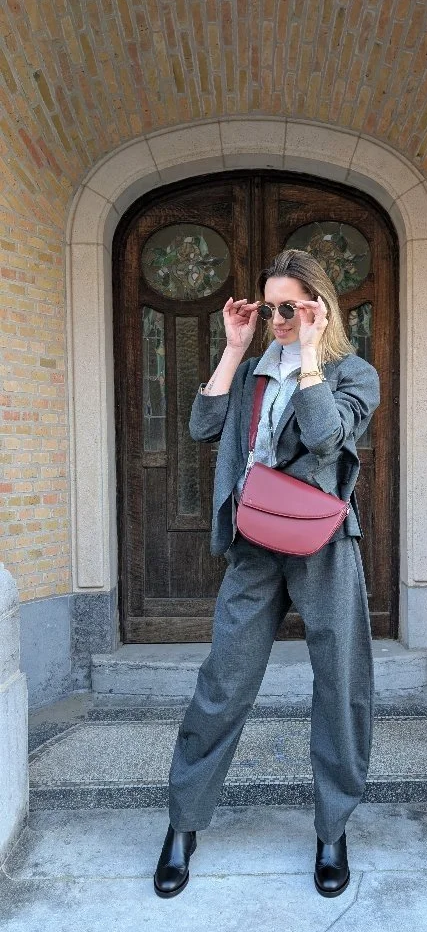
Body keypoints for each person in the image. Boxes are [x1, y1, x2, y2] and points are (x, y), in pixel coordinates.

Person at [153, 248, 381, 899]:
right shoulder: (252, 370)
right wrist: (233, 348)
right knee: (223, 682)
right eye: (271, 307)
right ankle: (183, 824)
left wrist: (309, 357)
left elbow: (326, 438)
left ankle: (333, 829)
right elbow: (202, 426)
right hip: (255, 542)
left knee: (339, 684)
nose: (278, 319)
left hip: (322, 542)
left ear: (318, 308)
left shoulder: (353, 373)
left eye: (291, 307)